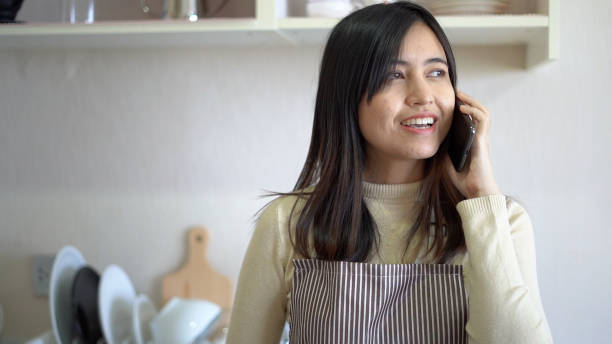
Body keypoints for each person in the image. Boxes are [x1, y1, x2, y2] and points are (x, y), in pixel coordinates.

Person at [226, 2, 553, 343]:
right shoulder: (288, 223)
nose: (423, 96)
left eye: (436, 72)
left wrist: (483, 199)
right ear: (346, 96)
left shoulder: (502, 222)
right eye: (394, 75)